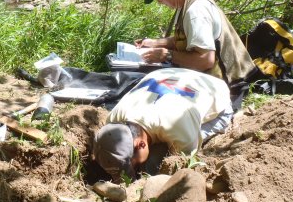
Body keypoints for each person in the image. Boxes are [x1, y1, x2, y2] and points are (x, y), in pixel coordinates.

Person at [137, 0, 256, 107]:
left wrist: (167, 55)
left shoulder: (196, 12)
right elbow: (186, 39)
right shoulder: (184, 4)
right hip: (206, 77)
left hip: (227, 86)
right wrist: (154, 43)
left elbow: (206, 60)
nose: (159, 3)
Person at [92, 67, 232, 181]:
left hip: (215, 91)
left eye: (133, 166)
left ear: (141, 144)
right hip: (168, 73)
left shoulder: (179, 130)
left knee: (155, 164)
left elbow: (182, 164)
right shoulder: (114, 117)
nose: (134, 170)